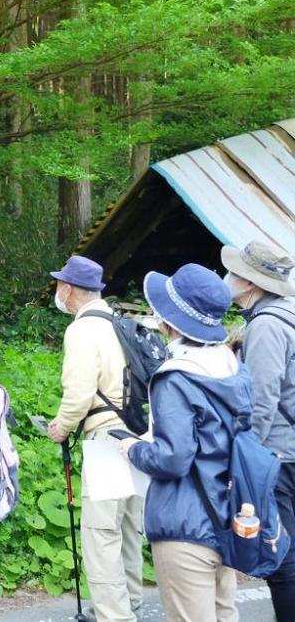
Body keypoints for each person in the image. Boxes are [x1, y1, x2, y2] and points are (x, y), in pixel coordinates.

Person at [121, 263, 244, 622]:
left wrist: (133, 448)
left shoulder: (175, 378)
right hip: (228, 511)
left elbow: (173, 458)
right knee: (225, 614)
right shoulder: (233, 366)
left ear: (170, 321)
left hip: (185, 523)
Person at [45, 255, 144, 622]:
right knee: (129, 527)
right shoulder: (119, 323)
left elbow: (79, 393)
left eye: (59, 285)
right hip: (138, 436)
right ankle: (130, 600)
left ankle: (114, 615)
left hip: (106, 442)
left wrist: (61, 426)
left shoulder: (84, 329)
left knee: (101, 535)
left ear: (68, 289)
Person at [222, 240, 295, 619]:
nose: (228, 278)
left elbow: (263, 401)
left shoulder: (266, 325)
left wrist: (249, 460)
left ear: (249, 283)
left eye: (234, 272)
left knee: (282, 557)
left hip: (280, 455)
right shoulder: (287, 314)